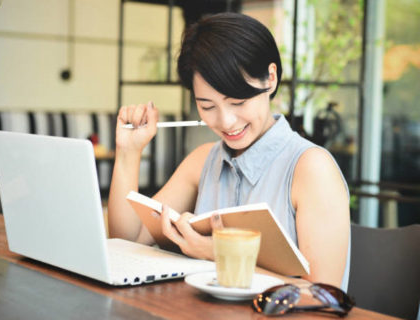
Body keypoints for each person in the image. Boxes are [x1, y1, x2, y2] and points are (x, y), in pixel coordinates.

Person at [107, 12, 350, 289]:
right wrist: (128, 153)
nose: (225, 121)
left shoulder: (311, 169)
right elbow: (125, 243)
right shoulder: (202, 161)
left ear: (270, 78)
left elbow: (325, 294)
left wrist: (218, 253)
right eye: (207, 106)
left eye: (238, 101)